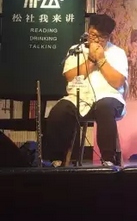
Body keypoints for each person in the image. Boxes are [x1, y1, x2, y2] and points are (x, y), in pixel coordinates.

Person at [43, 14, 128, 167]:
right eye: (93, 35)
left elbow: (117, 82)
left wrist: (101, 59)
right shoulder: (76, 50)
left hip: (109, 97)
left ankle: (108, 159)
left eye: (102, 37)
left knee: (104, 107)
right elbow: (69, 76)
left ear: (108, 37)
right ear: (88, 31)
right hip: (79, 97)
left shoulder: (117, 53)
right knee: (59, 111)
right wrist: (90, 60)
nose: (96, 40)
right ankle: (56, 159)